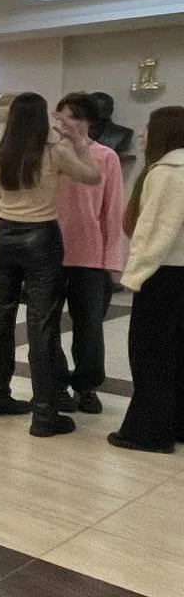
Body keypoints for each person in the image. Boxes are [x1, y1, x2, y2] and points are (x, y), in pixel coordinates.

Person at [0, 92, 99, 437]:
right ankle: (44, 414)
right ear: (42, 119)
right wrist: (80, 143)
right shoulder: (54, 153)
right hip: (42, 239)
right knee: (42, 323)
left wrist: (6, 210)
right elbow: (93, 176)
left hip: (5, 239)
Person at [108, 106, 184, 453]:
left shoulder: (166, 172)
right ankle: (176, 423)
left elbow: (153, 233)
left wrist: (135, 274)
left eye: (148, 128)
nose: (142, 134)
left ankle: (149, 432)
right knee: (177, 354)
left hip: (164, 276)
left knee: (151, 354)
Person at [51, 93, 124, 415]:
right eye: (64, 116)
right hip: (50, 254)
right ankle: (56, 385)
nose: (69, 124)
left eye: (76, 117)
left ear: (90, 121)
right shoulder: (49, 154)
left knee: (90, 328)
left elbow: (112, 211)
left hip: (90, 256)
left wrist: (112, 260)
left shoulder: (106, 157)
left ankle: (87, 386)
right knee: (47, 326)